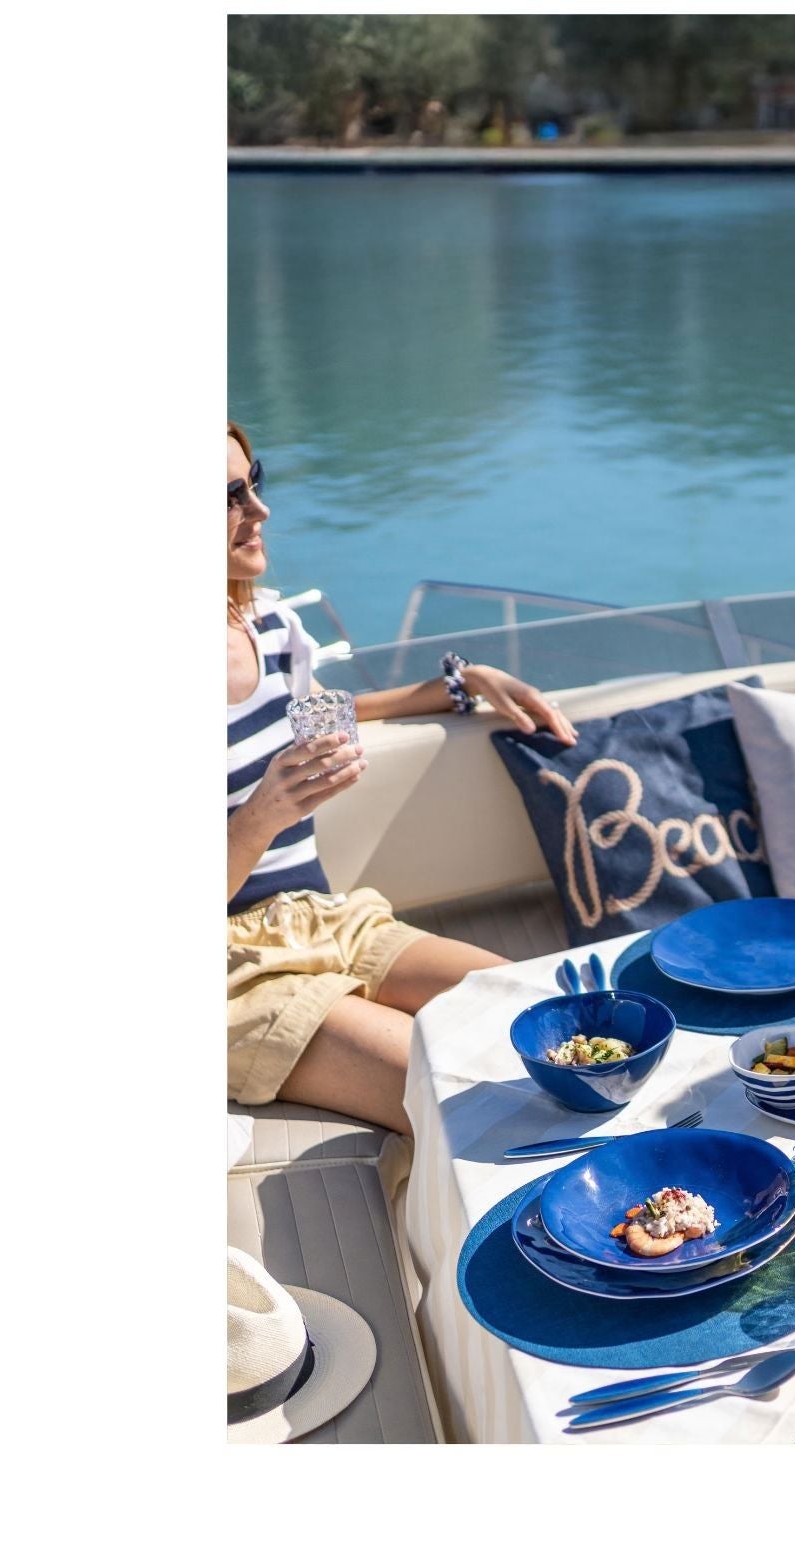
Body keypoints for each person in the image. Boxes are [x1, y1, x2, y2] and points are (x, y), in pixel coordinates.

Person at [227, 421, 577, 1132]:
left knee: (554, 1026)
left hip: (323, 918)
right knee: (466, 1097)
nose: (260, 510)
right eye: (228, 498)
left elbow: (312, 712)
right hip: (229, 972)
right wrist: (260, 818)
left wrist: (457, 685)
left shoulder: (269, 628)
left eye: (253, 482)